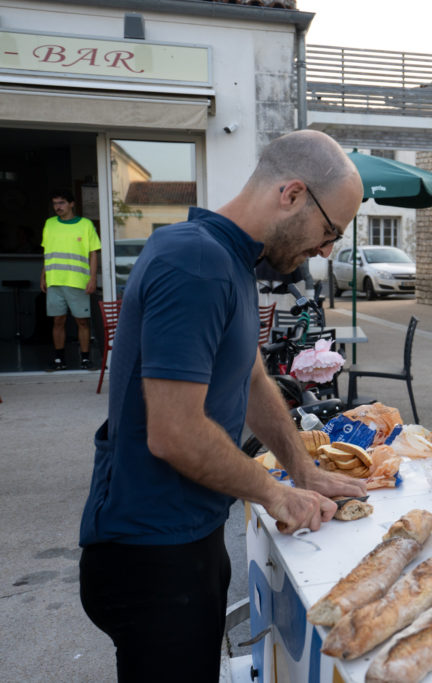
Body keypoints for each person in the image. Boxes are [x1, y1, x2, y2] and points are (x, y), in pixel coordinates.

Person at [78, 129, 367, 683]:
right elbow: (175, 432)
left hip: (189, 536)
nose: (328, 249)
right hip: (152, 553)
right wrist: (276, 493)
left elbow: (249, 375)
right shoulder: (197, 264)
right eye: (330, 230)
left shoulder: (227, 258)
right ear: (292, 194)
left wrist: (303, 468)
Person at [40, 189, 101, 370]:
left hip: (77, 281)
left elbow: (93, 253)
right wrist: (43, 275)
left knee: (82, 321)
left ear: (72, 204)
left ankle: (85, 359)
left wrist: (92, 279)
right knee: (57, 320)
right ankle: (60, 360)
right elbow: (47, 252)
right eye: (55, 204)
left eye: (61, 203)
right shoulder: (50, 224)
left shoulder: (86, 224)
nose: (57, 207)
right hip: (55, 281)